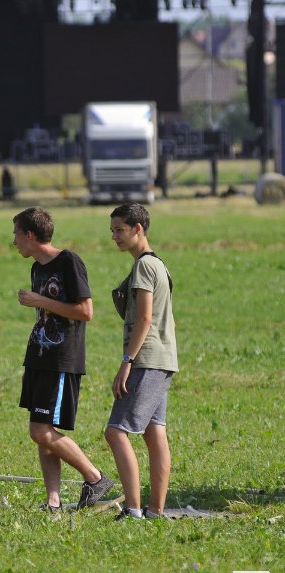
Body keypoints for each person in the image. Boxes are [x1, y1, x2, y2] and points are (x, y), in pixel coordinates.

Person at [12, 207, 114, 512]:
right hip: (39, 356)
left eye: (16, 234)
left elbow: (86, 311)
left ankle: (95, 477)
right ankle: (53, 502)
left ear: (30, 235)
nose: (14, 241)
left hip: (60, 359)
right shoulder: (36, 268)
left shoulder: (69, 261)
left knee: (40, 431)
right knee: (42, 433)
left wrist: (40, 300)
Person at [105, 203, 177, 520]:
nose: (115, 237)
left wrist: (127, 362)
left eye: (120, 230)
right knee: (153, 432)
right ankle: (155, 511)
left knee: (115, 432)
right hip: (163, 359)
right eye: (112, 231)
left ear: (138, 229)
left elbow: (145, 318)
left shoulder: (145, 267)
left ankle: (133, 510)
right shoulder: (158, 264)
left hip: (146, 360)